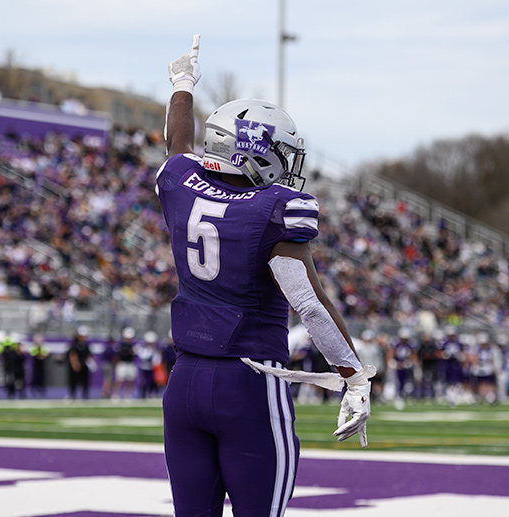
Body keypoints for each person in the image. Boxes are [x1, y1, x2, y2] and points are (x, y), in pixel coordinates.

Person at [158, 35, 373, 516]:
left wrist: (182, 84)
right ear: (254, 152)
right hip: (250, 385)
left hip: (185, 382)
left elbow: (178, 143)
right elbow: (310, 306)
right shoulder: (276, 209)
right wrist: (354, 377)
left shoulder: (178, 182)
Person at [67, 325, 92, 400]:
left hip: (84, 364)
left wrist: (90, 362)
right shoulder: (74, 345)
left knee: (85, 380)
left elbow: (88, 354)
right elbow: (72, 354)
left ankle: (85, 394)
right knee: (74, 380)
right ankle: (72, 394)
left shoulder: (86, 345)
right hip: (76, 364)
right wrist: (75, 363)